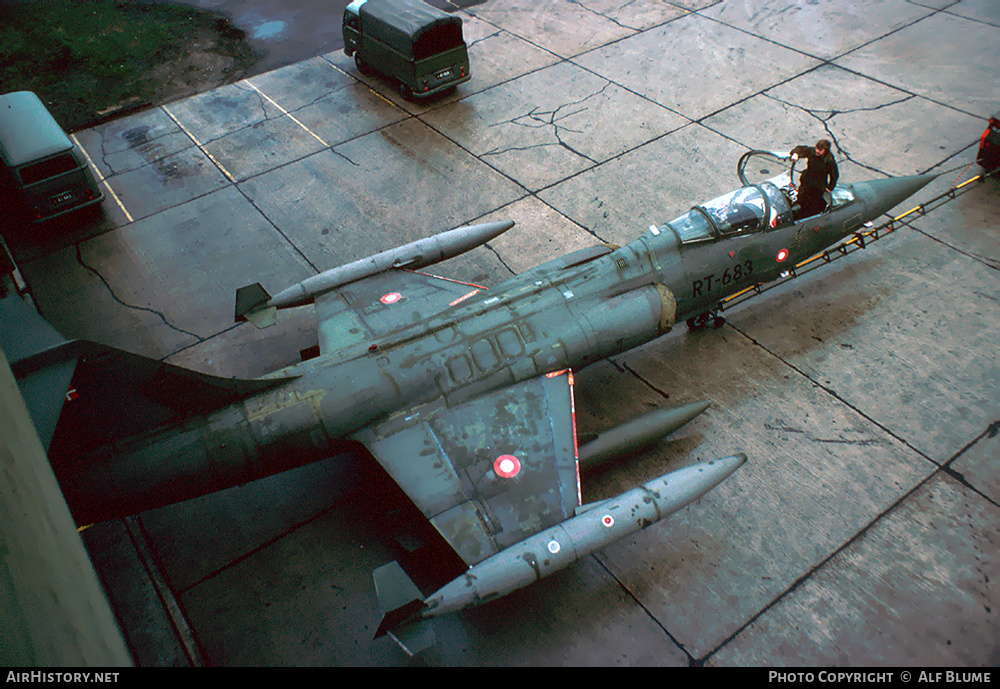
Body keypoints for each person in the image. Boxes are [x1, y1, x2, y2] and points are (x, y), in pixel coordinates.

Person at [790, 139, 839, 218]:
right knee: (801, 199)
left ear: (825, 151)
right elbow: (800, 149)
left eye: (820, 150)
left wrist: (830, 187)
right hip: (807, 181)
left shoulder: (829, 160)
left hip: (818, 186)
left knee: (813, 205)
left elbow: (834, 175)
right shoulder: (812, 152)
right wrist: (795, 153)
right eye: (817, 148)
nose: (817, 151)